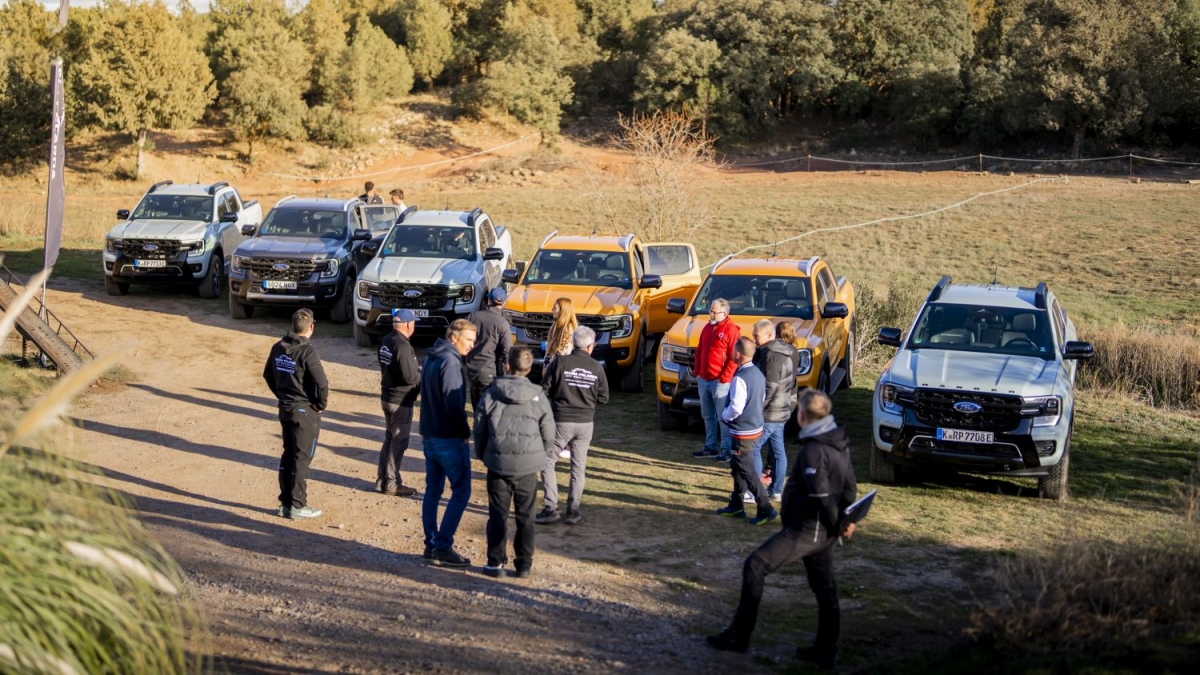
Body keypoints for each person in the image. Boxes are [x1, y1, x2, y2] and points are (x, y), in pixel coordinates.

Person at [706, 389, 858, 670]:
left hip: (807, 530)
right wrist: (846, 520)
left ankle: (739, 636)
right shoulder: (838, 442)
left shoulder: (814, 450)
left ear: (802, 416)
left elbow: (822, 496)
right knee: (825, 587)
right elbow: (850, 488)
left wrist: (838, 524)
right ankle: (825, 651)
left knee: (755, 566)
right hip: (821, 530)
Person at [474, 346, 556, 579]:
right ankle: (524, 564)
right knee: (526, 516)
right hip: (528, 465)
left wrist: (483, 455)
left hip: (498, 463)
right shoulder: (538, 396)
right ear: (529, 369)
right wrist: (540, 454)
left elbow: (479, 429)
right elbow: (549, 432)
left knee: (498, 514)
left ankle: (495, 562)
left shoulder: (491, 393)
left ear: (507, 366)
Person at [535, 326, 610, 526]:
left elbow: (544, 389)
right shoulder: (597, 367)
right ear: (590, 346)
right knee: (578, 467)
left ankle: (551, 507)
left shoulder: (560, 362)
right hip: (585, 423)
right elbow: (604, 397)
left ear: (574, 343)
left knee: (547, 461)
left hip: (561, 420)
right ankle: (573, 511)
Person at [419, 318, 478, 567]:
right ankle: (443, 547)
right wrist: (465, 431)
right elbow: (453, 404)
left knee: (433, 491)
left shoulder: (432, 357)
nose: (472, 345)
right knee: (461, 491)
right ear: (454, 337)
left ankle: (432, 543)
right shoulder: (451, 362)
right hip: (448, 438)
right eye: (469, 340)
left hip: (429, 435)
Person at [263, 308, 328, 519]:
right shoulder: (307, 351)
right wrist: (320, 404)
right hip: (304, 411)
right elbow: (322, 383)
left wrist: (281, 394)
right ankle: (298, 505)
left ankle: (285, 503)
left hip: (286, 408)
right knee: (301, 458)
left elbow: (268, 374)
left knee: (288, 454)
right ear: (311, 327)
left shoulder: (278, 347)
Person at [715, 337, 777, 525]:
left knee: (746, 469)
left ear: (738, 354)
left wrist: (724, 417)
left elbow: (736, 407)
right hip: (754, 428)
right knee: (737, 465)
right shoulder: (757, 373)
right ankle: (736, 504)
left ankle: (766, 508)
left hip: (743, 432)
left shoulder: (740, 378)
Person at [376, 309, 420, 498]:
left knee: (389, 439)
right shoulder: (403, 346)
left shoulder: (386, 341)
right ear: (409, 325)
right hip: (400, 401)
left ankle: (382, 480)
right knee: (398, 443)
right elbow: (409, 377)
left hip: (387, 396)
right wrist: (422, 375)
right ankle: (393, 484)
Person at [751, 320, 797, 501]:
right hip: (781, 409)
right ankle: (776, 490)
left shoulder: (771, 355)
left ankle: (753, 491)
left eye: (757, 336)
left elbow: (770, 386)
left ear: (770, 335)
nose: (754, 340)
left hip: (770, 412)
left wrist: (757, 407)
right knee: (778, 451)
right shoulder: (783, 351)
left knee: (753, 448)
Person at [692, 299, 740, 461]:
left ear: (724, 313)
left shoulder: (731, 330)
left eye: (714, 312)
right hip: (704, 379)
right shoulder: (707, 328)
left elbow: (734, 358)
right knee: (707, 415)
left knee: (723, 417)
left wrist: (724, 378)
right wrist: (698, 372)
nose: (711, 314)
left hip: (720, 382)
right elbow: (699, 350)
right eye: (710, 311)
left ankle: (726, 449)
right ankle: (710, 446)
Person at [466, 288, 511, 408]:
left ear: (488, 300)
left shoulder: (473, 316)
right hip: (489, 372)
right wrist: (504, 374)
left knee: (476, 407)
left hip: (471, 370)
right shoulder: (502, 323)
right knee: (487, 411)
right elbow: (507, 351)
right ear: (504, 302)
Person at [542, 298, 577, 372]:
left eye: (555, 308)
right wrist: (545, 367)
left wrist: (548, 370)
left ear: (563, 310)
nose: (552, 309)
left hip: (560, 370)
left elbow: (563, 354)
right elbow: (549, 350)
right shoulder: (555, 325)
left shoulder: (568, 330)